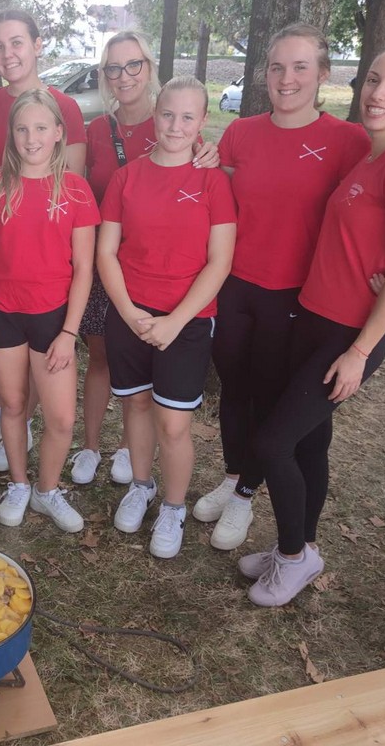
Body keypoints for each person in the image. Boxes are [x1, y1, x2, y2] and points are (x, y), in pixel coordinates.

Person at [242, 43, 385, 607]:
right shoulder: (370, 155)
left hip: (347, 336)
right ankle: (300, 546)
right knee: (308, 444)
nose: (379, 93)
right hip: (315, 317)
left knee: (274, 441)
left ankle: (294, 557)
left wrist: (359, 351)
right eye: (374, 79)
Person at [198, 24, 370, 551]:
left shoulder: (349, 141)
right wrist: (203, 162)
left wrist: (380, 266)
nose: (286, 78)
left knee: (270, 398)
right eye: (276, 67)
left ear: (323, 75)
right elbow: (215, 201)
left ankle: (248, 494)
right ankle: (231, 477)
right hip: (234, 285)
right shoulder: (240, 133)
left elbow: (369, 211)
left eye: (300, 67)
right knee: (233, 388)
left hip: (296, 296)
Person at [97, 76, 236, 559]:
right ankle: (141, 484)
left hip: (188, 319)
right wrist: (129, 311)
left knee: (173, 423)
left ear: (202, 122)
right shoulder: (126, 177)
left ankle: (174, 507)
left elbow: (220, 261)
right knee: (135, 406)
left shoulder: (213, 181)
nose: (176, 126)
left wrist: (175, 320)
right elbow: (107, 252)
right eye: (168, 115)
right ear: (155, 116)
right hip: (129, 314)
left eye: (188, 117)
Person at [73, 31, 219, 487]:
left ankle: (127, 451)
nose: (124, 76)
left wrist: (212, 153)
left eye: (133, 64)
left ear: (149, 67)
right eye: (113, 68)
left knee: (144, 373)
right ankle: (94, 445)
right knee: (104, 357)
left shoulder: (188, 136)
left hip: (166, 272)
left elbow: (208, 204)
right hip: (109, 258)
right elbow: (76, 186)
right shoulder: (96, 129)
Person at [0, 90, 98, 533]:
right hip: (2, 313)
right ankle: (19, 484)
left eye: (41, 128)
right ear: (11, 135)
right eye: (22, 129)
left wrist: (69, 332)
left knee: (61, 418)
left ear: (59, 133)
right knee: (14, 403)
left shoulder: (76, 191)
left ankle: (46, 489)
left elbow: (84, 269)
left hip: (53, 317)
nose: (31, 137)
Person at [0, 9, 89, 473]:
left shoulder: (66, 108)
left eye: (16, 42)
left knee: (49, 373)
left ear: (37, 44)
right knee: (8, 381)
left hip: (51, 285)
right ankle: (7, 427)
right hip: (3, 283)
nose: (7, 53)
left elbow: (65, 192)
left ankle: (32, 446)